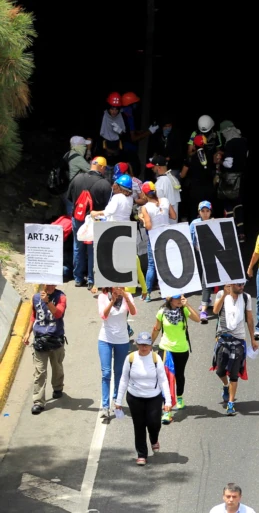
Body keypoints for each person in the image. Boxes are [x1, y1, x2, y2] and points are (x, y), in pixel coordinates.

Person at [114, 332, 171, 466]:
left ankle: (154, 438)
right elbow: (123, 379)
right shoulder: (131, 358)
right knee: (139, 426)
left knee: (154, 424)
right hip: (134, 397)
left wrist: (168, 401)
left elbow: (163, 380)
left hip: (153, 397)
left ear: (151, 345)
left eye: (146, 345)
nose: (144, 347)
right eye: (141, 345)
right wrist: (118, 401)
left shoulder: (156, 359)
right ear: (137, 344)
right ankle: (141, 454)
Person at [152, 295, 201, 423]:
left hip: (181, 349)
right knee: (166, 379)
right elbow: (156, 329)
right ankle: (167, 410)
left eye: (181, 297)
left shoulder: (184, 310)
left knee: (179, 375)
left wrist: (188, 305)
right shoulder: (161, 312)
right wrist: (149, 344)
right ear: (169, 299)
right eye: (176, 298)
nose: (179, 300)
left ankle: (179, 396)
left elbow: (198, 319)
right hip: (166, 349)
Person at [212, 283, 258, 416]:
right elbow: (215, 311)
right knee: (220, 370)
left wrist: (253, 339)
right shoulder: (221, 294)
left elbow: (249, 319)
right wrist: (224, 296)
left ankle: (231, 403)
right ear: (231, 285)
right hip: (223, 338)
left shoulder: (246, 297)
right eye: (239, 285)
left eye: (243, 284)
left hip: (238, 340)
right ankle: (225, 386)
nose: (242, 287)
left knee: (234, 373)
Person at [67, 156, 111, 290]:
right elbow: (108, 207)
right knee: (92, 250)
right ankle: (92, 280)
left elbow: (69, 197)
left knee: (77, 246)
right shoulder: (105, 184)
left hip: (78, 218)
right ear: (102, 167)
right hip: (94, 220)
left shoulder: (77, 178)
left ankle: (78, 278)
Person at [24, 285, 68, 415]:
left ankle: (58, 387)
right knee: (40, 371)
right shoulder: (36, 297)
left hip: (56, 339)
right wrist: (28, 332)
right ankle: (38, 401)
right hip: (40, 340)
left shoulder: (61, 297)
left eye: (51, 283)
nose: (49, 285)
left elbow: (58, 313)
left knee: (57, 367)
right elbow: (34, 316)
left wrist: (47, 301)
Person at [97, 286, 135, 418]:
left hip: (122, 340)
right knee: (106, 372)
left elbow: (134, 312)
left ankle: (116, 401)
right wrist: (112, 301)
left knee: (119, 372)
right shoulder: (103, 297)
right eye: (115, 284)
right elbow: (103, 315)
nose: (118, 287)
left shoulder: (127, 296)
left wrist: (125, 297)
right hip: (105, 339)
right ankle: (105, 406)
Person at [139, 181, 178, 302]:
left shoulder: (145, 208)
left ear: (145, 195)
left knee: (152, 265)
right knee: (166, 264)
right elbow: (173, 216)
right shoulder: (165, 201)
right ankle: (169, 292)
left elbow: (149, 226)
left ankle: (148, 294)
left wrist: (142, 218)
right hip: (167, 236)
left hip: (154, 237)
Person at [189, 201, 215, 319]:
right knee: (201, 276)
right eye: (202, 211)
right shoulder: (194, 223)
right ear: (199, 212)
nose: (205, 214)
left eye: (207, 211)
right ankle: (208, 298)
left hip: (210, 256)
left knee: (206, 280)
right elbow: (189, 238)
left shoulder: (214, 223)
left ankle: (204, 310)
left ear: (210, 212)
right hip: (198, 253)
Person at [146, 154, 181, 219]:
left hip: (165, 221)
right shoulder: (174, 179)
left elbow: (157, 203)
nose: (151, 169)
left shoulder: (160, 183)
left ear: (159, 167)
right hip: (174, 221)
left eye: (153, 167)